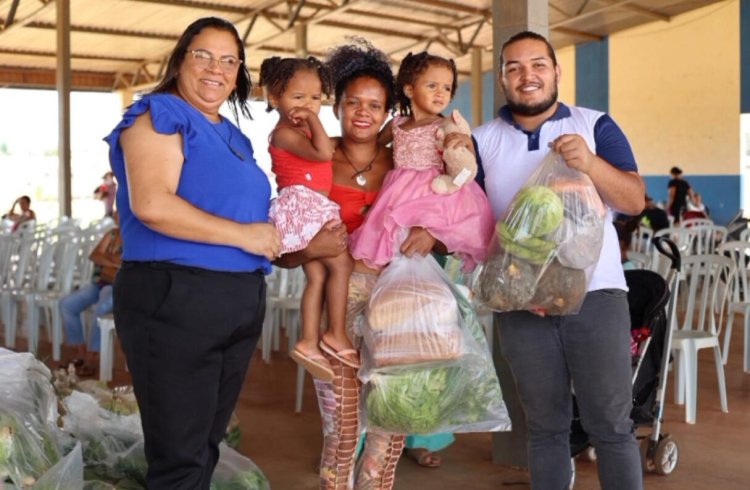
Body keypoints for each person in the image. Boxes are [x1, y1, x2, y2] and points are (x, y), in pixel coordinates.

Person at [278, 39, 464, 490]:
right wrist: (314, 249)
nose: (363, 112)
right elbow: (283, 252)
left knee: (389, 426)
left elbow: (454, 216)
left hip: (401, 306)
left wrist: (434, 235)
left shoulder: (407, 162)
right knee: (341, 431)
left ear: (388, 111)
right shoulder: (314, 160)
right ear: (336, 106)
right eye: (352, 103)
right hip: (337, 316)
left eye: (374, 105)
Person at [103, 17, 280, 489]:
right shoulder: (157, 114)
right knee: (179, 455)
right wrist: (247, 236)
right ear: (181, 59)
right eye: (202, 55)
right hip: (177, 296)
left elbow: (245, 213)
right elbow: (153, 204)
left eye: (228, 60)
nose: (214, 69)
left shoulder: (233, 134)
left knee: (204, 446)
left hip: (237, 299)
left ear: (239, 71)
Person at [472, 31, 645, 489]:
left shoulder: (595, 124)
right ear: (503, 79)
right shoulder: (482, 140)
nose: (527, 76)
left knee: (611, 426)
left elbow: (633, 200)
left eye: (538, 65)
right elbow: (466, 218)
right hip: (520, 301)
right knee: (545, 428)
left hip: (597, 295)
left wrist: (589, 164)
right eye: (513, 67)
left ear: (556, 72)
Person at [348, 51, 494, 271]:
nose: (441, 93)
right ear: (409, 90)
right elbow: (370, 147)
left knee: (426, 260)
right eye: (432, 86)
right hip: (396, 193)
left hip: (434, 195)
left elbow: (463, 165)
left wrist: (468, 146)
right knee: (393, 251)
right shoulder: (396, 124)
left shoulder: (446, 125)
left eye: (447, 87)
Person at [259, 55, 354, 381]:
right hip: (305, 205)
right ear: (275, 98)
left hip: (309, 205)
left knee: (317, 276)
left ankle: (310, 340)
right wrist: (314, 120)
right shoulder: (283, 132)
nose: (308, 105)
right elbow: (323, 152)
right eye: (298, 98)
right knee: (341, 265)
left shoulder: (295, 128)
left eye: (315, 98)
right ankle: (336, 333)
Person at [60, 223, 122, 377]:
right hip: (99, 282)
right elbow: (94, 255)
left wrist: (105, 258)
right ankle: (80, 350)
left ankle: (92, 355)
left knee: (101, 306)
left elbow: (129, 264)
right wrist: (114, 262)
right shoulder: (112, 234)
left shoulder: (137, 235)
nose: (117, 215)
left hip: (120, 286)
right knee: (67, 304)